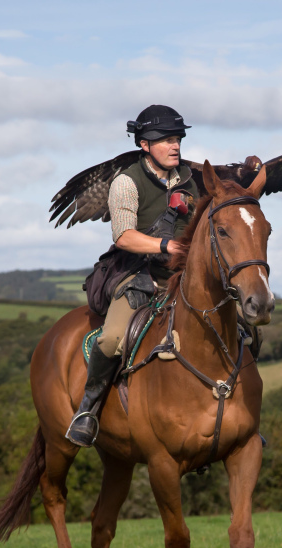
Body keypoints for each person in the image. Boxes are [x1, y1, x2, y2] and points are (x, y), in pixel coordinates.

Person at [66, 104, 200, 447]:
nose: (175, 146)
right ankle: (88, 408)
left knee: (243, 323)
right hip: (139, 276)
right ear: (144, 144)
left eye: (178, 139)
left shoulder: (193, 180)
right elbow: (124, 236)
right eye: (166, 140)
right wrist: (166, 246)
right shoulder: (126, 182)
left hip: (185, 278)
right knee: (110, 340)